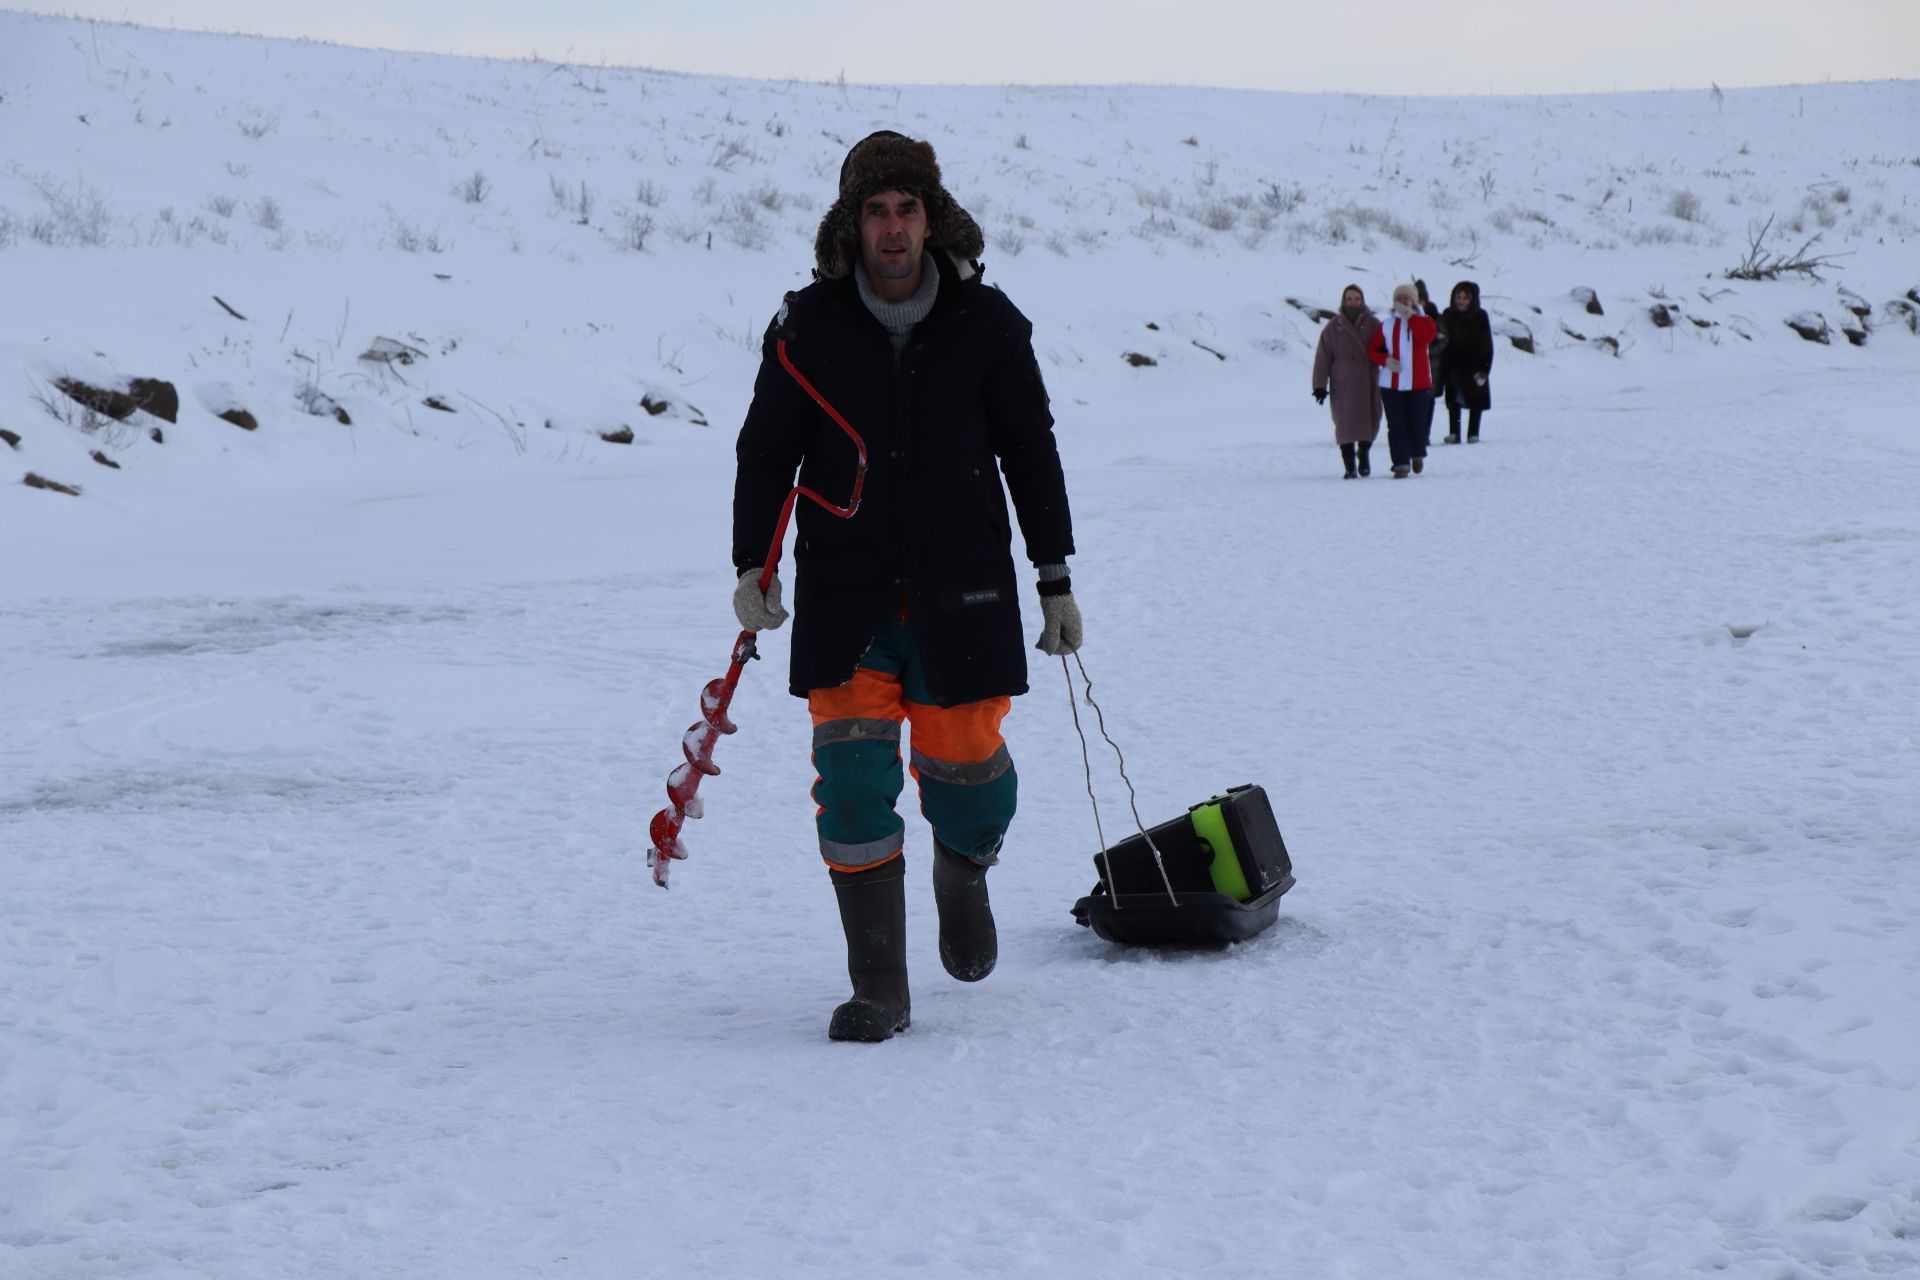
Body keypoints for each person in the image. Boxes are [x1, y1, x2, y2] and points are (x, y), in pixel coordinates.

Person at [731, 131, 1080, 1042]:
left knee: (967, 773)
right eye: (876, 212)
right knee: (849, 785)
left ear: (933, 219)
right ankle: (879, 982)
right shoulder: (806, 327)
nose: (892, 228)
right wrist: (750, 568)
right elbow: (765, 451)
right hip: (848, 598)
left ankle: (963, 867)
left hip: (961, 593)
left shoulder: (987, 326)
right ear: (853, 224)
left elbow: (1031, 450)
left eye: (907, 210)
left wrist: (1055, 577)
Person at [1309, 285, 1383, 479]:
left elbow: (1385, 349)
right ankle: (1349, 466)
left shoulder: (1374, 324)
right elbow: (1323, 357)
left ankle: (1364, 454)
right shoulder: (1333, 327)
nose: (1353, 302)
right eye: (1349, 299)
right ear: (1343, 301)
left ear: (1362, 300)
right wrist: (1319, 385)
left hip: (1368, 379)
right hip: (1343, 384)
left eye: (1357, 298)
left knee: (1371, 421)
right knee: (1345, 425)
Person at [1370, 283, 1439, 478]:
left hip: (1418, 382)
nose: (1403, 301)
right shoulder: (1386, 324)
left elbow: (1425, 338)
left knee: (1418, 421)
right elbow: (1372, 351)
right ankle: (1400, 463)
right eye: (1399, 298)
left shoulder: (1425, 321)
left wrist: (1410, 317)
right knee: (1396, 425)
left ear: (1414, 300)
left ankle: (1417, 453)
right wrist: (1385, 361)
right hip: (1390, 383)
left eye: (1406, 298)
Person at [1438, 279, 1493, 443]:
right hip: (1453, 364)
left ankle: (1473, 433)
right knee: (1454, 401)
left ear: (1472, 299)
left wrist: (1485, 369)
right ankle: (1454, 433)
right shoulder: (1448, 314)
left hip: (1475, 365)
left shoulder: (1480, 316)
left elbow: (1487, 345)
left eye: (1465, 298)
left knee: (1476, 399)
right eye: (1458, 297)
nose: (1461, 301)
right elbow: (1443, 340)